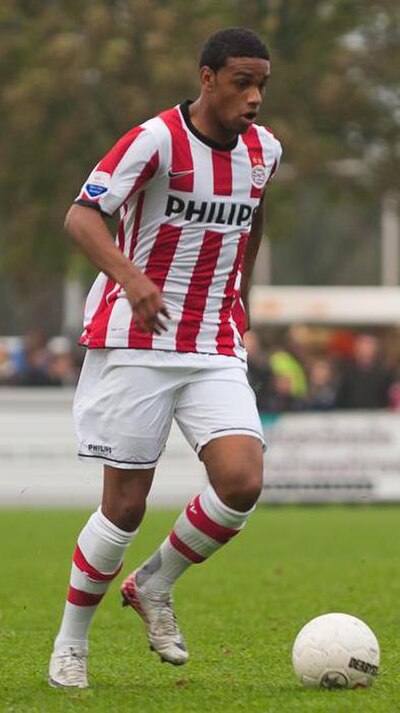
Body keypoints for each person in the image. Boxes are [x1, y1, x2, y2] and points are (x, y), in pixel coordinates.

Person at [48, 27, 282, 689]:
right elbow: (81, 217)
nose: (255, 96)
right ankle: (71, 643)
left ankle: (153, 585)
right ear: (206, 77)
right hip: (136, 341)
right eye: (242, 81)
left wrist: (240, 294)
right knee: (124, 506)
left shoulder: (266, 151)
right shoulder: (155, 140)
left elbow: (253, 216)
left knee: (241, 481)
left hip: (212, 342)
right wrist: (132, 277)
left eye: (262, 83)